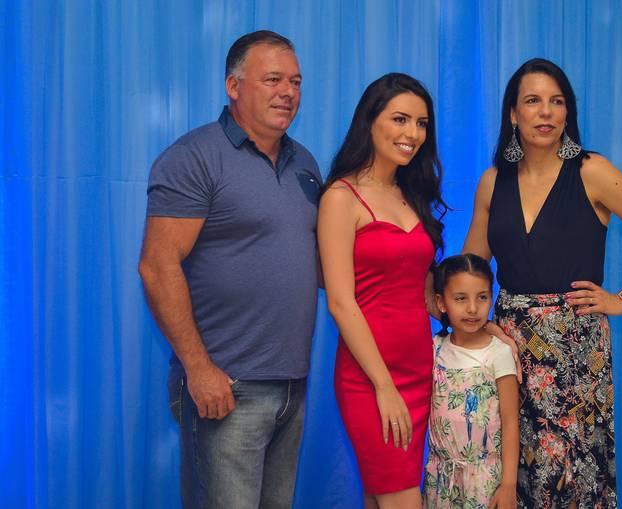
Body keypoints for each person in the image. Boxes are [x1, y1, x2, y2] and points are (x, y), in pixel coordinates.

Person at [463, 58, 622, 509]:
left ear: (568, 112)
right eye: (533, 101)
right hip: (508, 350)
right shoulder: (492, 183)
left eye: (557, 101)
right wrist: (470, 316)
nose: (545, 112)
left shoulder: (591, 171)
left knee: (572, 477)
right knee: (512, 474)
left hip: (575, 351)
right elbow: (472, 267)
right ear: (513, 114)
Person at [138, 31, 321, 508]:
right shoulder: (194, 157)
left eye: (296, 82)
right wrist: (199, 369)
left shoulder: (305, 164)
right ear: (233, 86)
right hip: (226, 388)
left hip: (291, 387)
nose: (288, 92)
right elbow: (157, 266)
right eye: (273, 80)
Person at [317, 73, 447, 508]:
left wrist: (478, 325)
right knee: (402, 498)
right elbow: (340, 302)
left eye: (422, 123)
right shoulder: (341, 197)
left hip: (419, 371)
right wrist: (383, 386)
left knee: (381, 498)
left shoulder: (411, 193)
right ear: (370, 121)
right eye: (400, 119)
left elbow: (420, 290)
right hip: (371, 378)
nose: (413, 133)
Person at [423, 254, 519, 509]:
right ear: (441, 303)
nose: (473, 308)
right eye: (460, 298)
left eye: (482, 297)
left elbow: (510, 421)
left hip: (485, 481)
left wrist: (509, 484)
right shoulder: (434, 350)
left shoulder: (498, 353)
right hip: (441, 479)